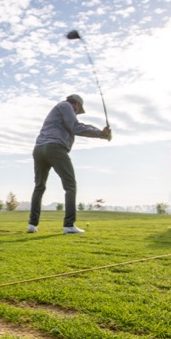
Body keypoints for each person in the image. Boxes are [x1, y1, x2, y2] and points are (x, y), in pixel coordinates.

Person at [27, 94, 111, 234]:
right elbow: (76, 127)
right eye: (78, 110)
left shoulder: (58, 109)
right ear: (77, 104)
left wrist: (101, 134)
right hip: (54, 148)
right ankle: (69, 225)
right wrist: (101, 134)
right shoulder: (66, 106)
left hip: (39, 149)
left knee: (39, 186)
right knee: (70, 185)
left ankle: (32, 224)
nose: (77, 113)